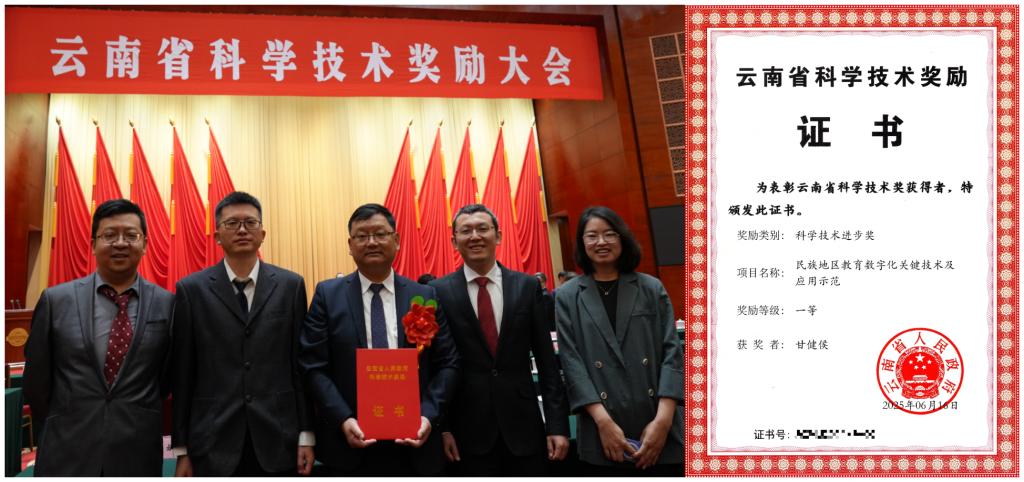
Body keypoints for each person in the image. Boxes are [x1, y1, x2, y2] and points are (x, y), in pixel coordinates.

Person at [299, 203, 459, 476]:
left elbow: (448, 363)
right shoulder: (328, 295)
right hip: (348, 443)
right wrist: (343, 418)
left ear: (396, 240)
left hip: (416, 443)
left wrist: (428, 416)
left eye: (380, 234)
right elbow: (313, 365)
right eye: (362, 236)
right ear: (350, 245)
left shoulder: (424, 296)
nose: (371, 242)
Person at [23, 199, 173, 476]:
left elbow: (164, 379)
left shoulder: (168, 304)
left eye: (131, 235)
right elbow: (36, 382)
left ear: (145, 244)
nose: (120, 243)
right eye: (109, 235)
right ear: (93, 244)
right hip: (65, 449)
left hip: (136, 451)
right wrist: (63, 423)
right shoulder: (56, 301)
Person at [171, 191, 314, 476]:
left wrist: (306, 435)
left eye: (250, 223)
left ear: (262, 233)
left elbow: (299, 366)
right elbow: (184, 372)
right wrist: (182, 449)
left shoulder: (291, 286)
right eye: (232, 223)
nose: (242, 230)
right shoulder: (191, 290)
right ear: (217, 236)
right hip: (212, 439)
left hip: (278, 437)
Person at [430, 204, 569, 476]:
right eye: (466, 231)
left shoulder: (526, 286)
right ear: (454, 241)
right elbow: (436, 366)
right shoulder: (438, 292)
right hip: (466, 431)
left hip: (524, 425)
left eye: (483, 228)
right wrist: (443, 428)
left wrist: (557, 425)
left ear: (499, 235)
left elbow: (547, 361)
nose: (475, 236)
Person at [554, 206, 684, 476]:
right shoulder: (567, 296)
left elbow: (672, 353)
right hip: (602, 427)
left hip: (658, 421)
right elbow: (572, 363)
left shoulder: (651, 288)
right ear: (582, 243)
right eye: (592, 236)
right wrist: (604, 423)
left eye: (609, 234)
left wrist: (662, 422)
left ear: (622, 238)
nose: (601, 242)